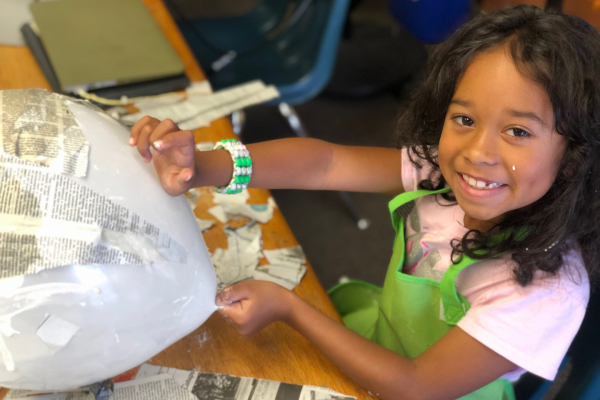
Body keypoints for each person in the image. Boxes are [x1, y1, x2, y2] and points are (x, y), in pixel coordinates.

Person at [128, 5, 600, 400]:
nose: (477, 152)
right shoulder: (444, 174)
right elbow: (325, 164)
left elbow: (415, 385)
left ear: (575, 153)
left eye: (517, 131)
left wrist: (292, 310)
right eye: (464, 119)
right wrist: (203, 167)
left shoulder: (547, 290)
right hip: (374, 339)